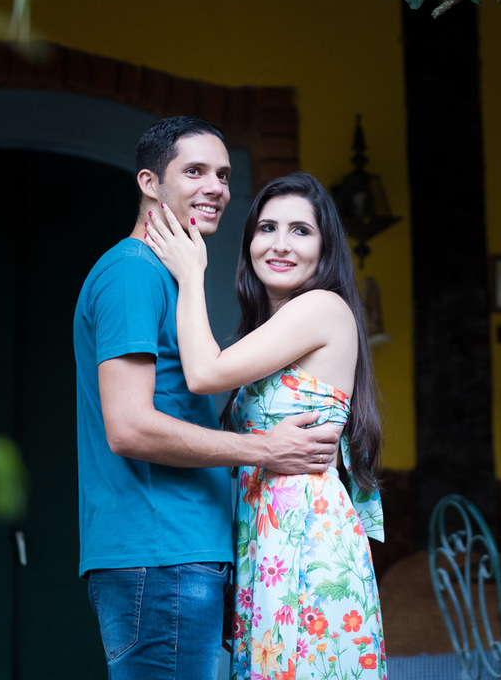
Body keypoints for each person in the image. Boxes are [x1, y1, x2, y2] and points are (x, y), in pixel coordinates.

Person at [74, 117, 341, 680]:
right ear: (149, 182)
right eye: (194, 171)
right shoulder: (133, 273)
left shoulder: (167, 277)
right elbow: (129, 426)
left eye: (222, 174)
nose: (215, 187)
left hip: (182, 551)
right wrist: (264, 449)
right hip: (159, 552)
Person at [144, 171, 385, 680]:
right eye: (267, 228)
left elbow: (203, 373)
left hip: (306, 536)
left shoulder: (321, 307)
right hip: (267, 535)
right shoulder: (271, 328)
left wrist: (191, 274)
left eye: (301, 230)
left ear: (325, 248)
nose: (279, 244)